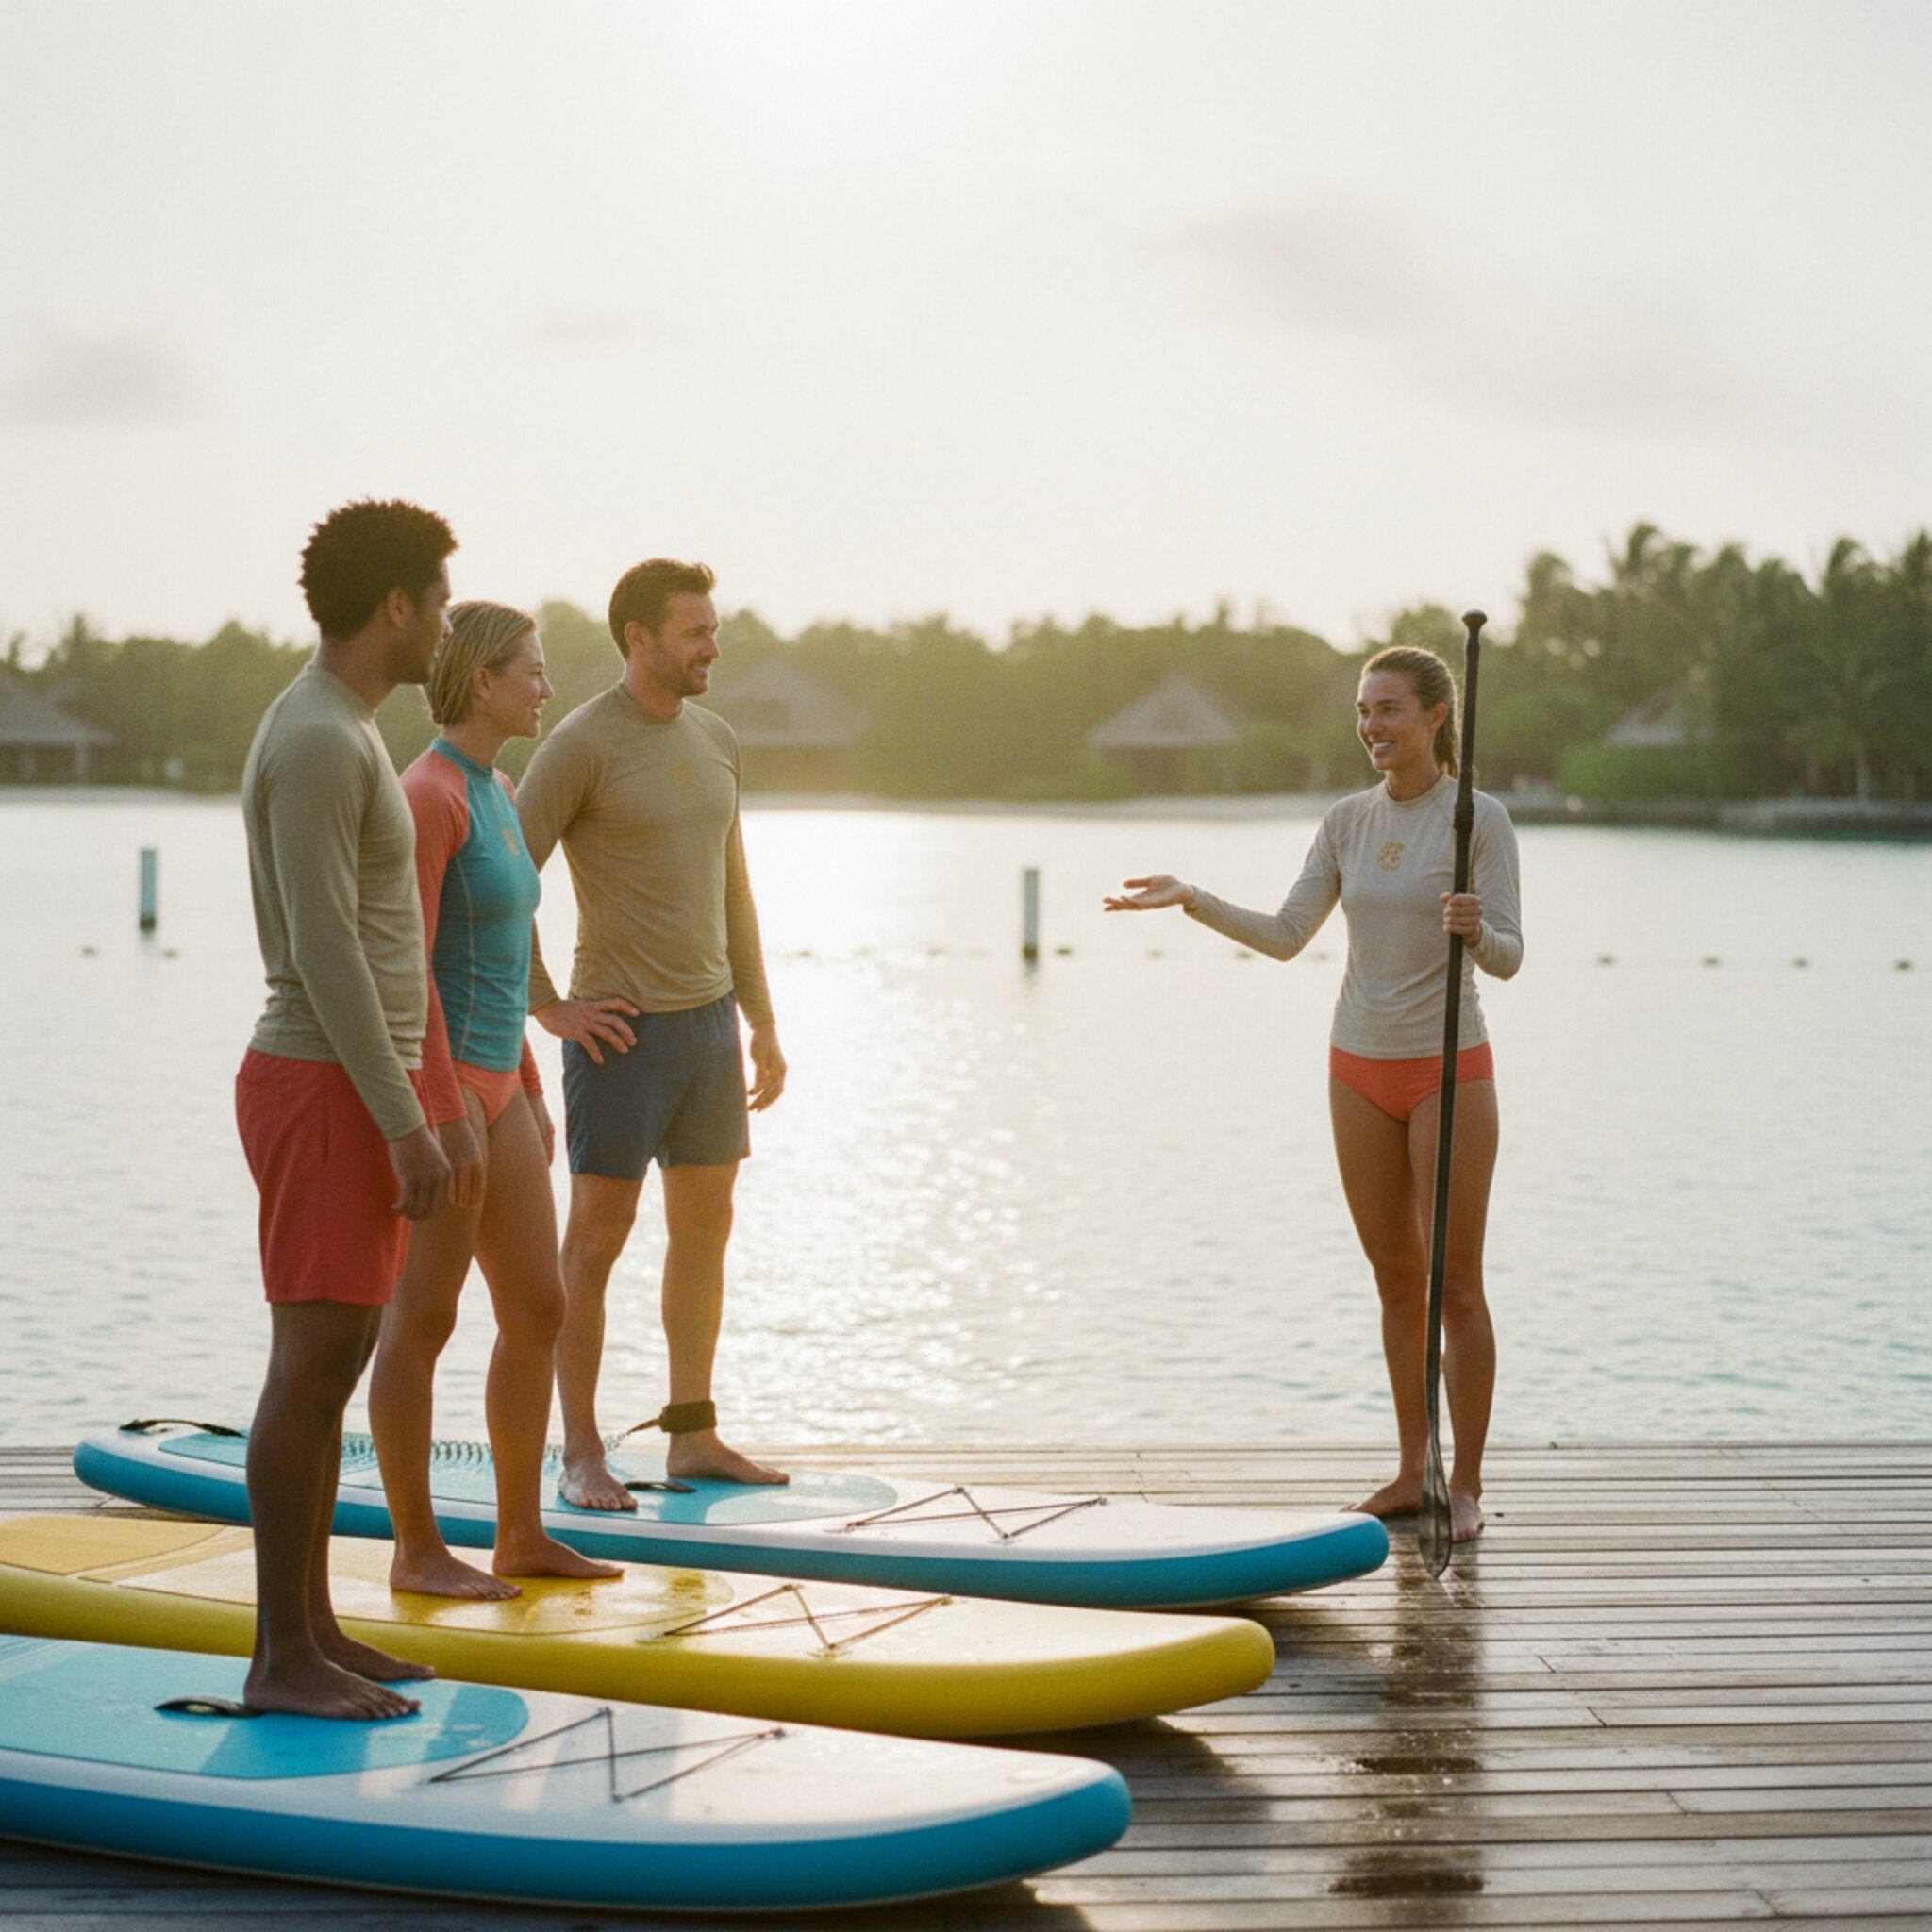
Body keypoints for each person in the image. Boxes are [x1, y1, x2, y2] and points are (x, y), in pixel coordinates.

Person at [1105, 644, 1522, 1544]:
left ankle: (1469, 1483)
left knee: (1455, 1285)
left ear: (1436, 717)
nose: (1372, 726)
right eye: (1364, 711)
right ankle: (1413, 1472)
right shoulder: (1345, 820)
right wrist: (1193, 898)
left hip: (1450, 1068)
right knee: (1395, 1279)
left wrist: (1478, 928)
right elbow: (1290, 933)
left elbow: (1513, 957)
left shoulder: (1478, 821)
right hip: (1357, 1067)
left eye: (1390, 710)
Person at [234, 497, 458, 1717]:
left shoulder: (345, 727)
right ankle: (279, 1662)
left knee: (336, 1359)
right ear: (395, 606)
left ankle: (314, 1629)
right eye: (434, 602)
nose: (442, 625)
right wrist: (403, 1119)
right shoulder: (320, 736)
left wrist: (410, 1100)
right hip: (320, 1084)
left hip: (345, 1085)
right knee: (310, 1367)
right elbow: (324, 951)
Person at [516, 558, 789, 1507]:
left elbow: (734, 887)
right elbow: (502, 881)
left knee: (704, 1232)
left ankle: (691, 1434)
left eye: (713, 628)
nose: (712, 645)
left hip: (711, 1027)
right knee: (593, 1241)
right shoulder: (583, 742)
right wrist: (547, 1004)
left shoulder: (714, 736)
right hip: (618, 1035)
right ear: (637, 637)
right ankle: (580, 1449)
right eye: (694, 632)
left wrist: (760, 1017)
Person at [368, 602, 627, 1598]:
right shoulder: (427, 793)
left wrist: (522, 1073)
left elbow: (502, 946)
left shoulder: (499, 787)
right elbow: (411, 966)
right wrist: (441, 1109)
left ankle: (519, 1533)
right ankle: (417, 1550)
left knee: (537, 1305)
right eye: (531, 669)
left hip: (497, 1077)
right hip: (439, 1093)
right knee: (422, 1318)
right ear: (482, 680)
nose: (546, 686)